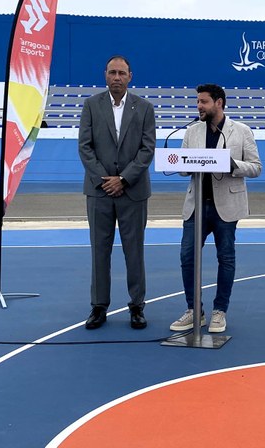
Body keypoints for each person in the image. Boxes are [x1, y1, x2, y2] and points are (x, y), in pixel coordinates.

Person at [169, 84, 262, 334]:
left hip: (226, 206)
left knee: (226, 258)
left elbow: (256, 167)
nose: (199, 106)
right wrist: (185, 164)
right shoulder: (192, 131)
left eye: (204, 102)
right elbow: (182, 167)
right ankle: (194, 310)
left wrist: (232, 164)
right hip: (196, 206)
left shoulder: (241, 131)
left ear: (218, 103)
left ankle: (220, 310)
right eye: (198, 102)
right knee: (187, 257)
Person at [78, 55, 156, 330]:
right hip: (99, 192)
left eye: (122, 73)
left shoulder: (144, 108)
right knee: (100, 251)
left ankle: (137, 306)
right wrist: (105, 180)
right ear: (105, 75)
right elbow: (85, 147)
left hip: (133, 191)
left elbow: (147, 149)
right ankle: (99, 306)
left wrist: (123, 179)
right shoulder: (91, 105)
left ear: (130, 76)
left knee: (134, 252)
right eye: (112, 72)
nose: (117, 78)